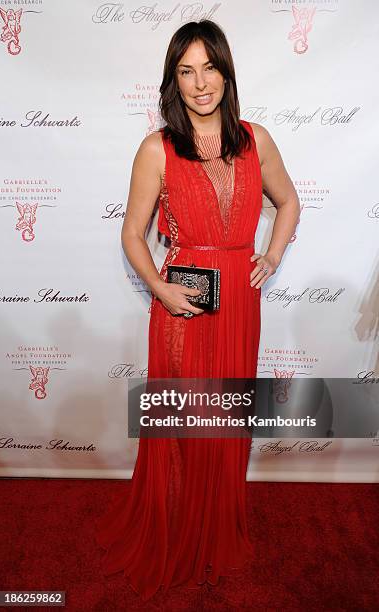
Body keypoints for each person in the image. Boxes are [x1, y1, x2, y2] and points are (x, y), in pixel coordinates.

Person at [95, 19, 300, 601]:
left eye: (209, 67)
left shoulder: (256, 139)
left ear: (227, 72)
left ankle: (215, 533)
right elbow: (134, 235)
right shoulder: (156, 149)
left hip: (239, 298)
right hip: (182, 307)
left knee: (228, 425)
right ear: (173, 82)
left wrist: (272, 254)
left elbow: (288, 202)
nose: (200, 81)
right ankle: (179, 533)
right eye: (186, 70)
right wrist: (160, 289)